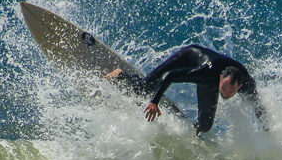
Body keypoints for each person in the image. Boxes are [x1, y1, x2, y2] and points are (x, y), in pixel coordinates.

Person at [104, 44, 268, 135]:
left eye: (231, 92)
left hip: (211, 81)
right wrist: (154, 102)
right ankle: (121, 75)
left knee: (205, 126)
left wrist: (268, 130)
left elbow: (258, 107)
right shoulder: (205, 73)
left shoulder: (247, 85)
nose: (226, 94)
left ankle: (193, 135)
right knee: (143, 90)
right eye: (224, 89)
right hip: (189, 57)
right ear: (220, 78)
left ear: (239, 87)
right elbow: (169, 76)